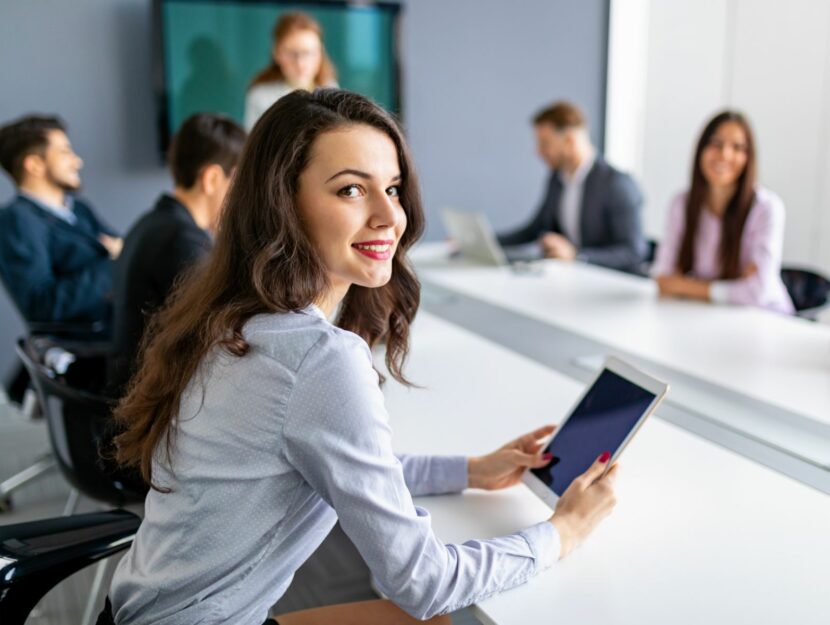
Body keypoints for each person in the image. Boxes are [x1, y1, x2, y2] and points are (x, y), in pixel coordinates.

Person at [104, 90, 619, 625]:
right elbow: (424, 583)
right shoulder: (316, 358)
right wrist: (562, 533)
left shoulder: (232, 318)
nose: (389, 216)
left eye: (392, 189)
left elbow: (344, 463)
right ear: (283, 203)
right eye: (351, 189)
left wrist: (472, 470)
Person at [107, 113, 246, 395]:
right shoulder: (182, 242)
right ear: (212, 178)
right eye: (240, 183)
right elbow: (216, 333)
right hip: (150, 405)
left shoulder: (152, 222)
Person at [651, 111, 794, 314]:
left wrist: (685, 285)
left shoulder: (766, 208)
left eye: (737, 148)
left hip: (766, 318)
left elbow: (758, 292)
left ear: (748, 157)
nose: (725, 154)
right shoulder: (682, 203)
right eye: (716, 144)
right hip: (710, 314)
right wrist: (734, 288)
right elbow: (663, 278)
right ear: (701, 149)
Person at [0, 115, 121, 326]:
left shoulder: (79, 209)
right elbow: (42, 306)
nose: (77, 161)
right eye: (65, 152)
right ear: (35, 165)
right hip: (88, 347)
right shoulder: (17, 221)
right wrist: (115, 264)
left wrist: (120, 256)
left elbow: (123, 247)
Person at [498, 101, 647, 273]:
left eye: (545, 143)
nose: (538, 151)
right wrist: (485, 241)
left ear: (569, 140)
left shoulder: (617, 184)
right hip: (572, 280)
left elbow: (634, 252)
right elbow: (535, 229)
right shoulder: (557, 179)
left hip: (610, 284)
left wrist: (577, 256)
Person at [244, 12, 338, 130]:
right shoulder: (260, 96)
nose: (300, 63)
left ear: (320, 53)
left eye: (308, 53)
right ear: (277, 54)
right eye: (292, 54)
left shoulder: (331, 90)